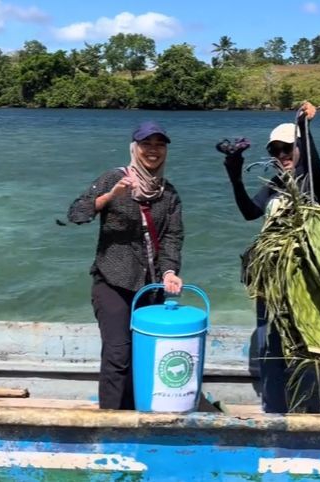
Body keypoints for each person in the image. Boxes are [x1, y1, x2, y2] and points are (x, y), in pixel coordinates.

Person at [220, 101, 320, 414]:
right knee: (271, 350)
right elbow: (249, 212)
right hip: (271, 284)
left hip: (307, 286)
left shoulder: (315, 182)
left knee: (312, 352)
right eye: (276, 152)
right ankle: (274, 417)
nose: (282, 156)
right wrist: (234, 176)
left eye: (288, 149)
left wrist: (303, 127)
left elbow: (312, 163)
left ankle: (319, 418)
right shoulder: (275, 185)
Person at [67, 122, 184, 410]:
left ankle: (137, 412)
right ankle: (110, 419)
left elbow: (172, 237)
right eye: (147, 144)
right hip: (113, 280)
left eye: (160, 144)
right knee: (118, 354)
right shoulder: (113, 178)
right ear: (135, 147)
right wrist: (110, 197)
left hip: (150, 286)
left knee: (143, 355)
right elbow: (76, 214)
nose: (153, 151)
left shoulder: (168, 193)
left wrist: (169, 271)